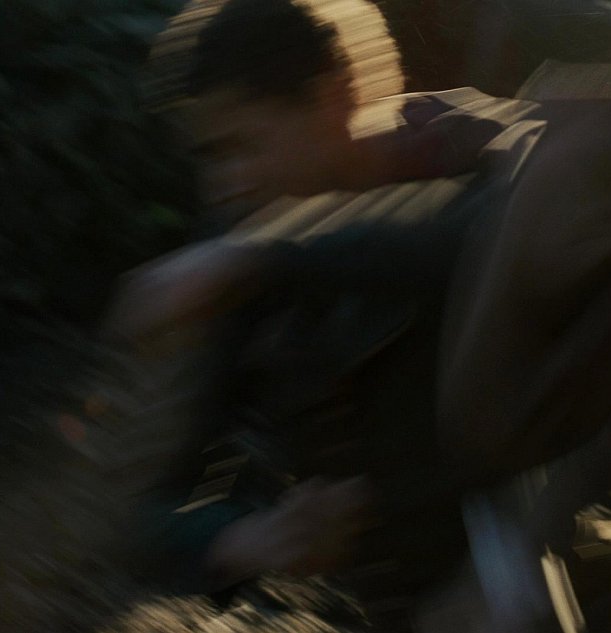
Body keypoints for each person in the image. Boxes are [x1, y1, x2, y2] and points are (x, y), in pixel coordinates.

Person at [110, 0, 611, 628]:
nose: (224, 183)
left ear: (332, 96)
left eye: (243, 146)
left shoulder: (476, 149)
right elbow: (151, 513)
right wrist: (248, 538)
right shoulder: (231, 264)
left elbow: (469, 241)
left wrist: (518, 562)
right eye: (209, 156)